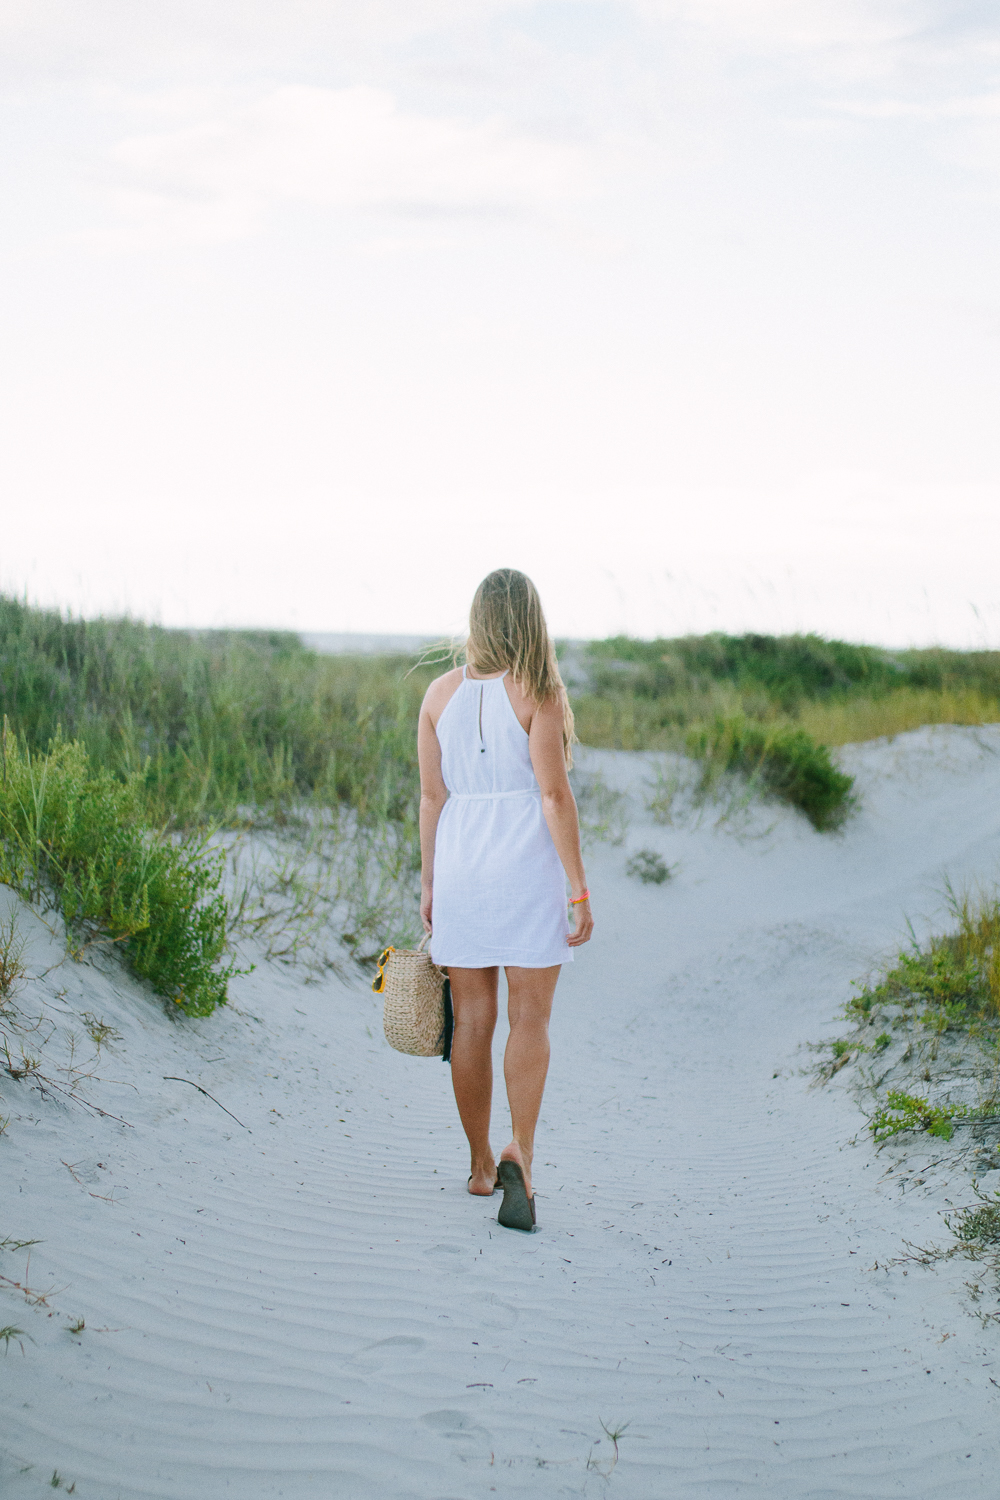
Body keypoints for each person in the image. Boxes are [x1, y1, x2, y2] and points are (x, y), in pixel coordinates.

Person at [417, 568, 594, 1232]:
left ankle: (480, 1166)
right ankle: (520, 1146)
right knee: (530, 1021)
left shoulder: (438, 696)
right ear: (530, 620)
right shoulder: (538, 694)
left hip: (462, 869)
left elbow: (432, 798)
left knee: (472, 1021)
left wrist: (431, 883)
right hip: (524, 869)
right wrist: (578, 888)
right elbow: (553, 797)